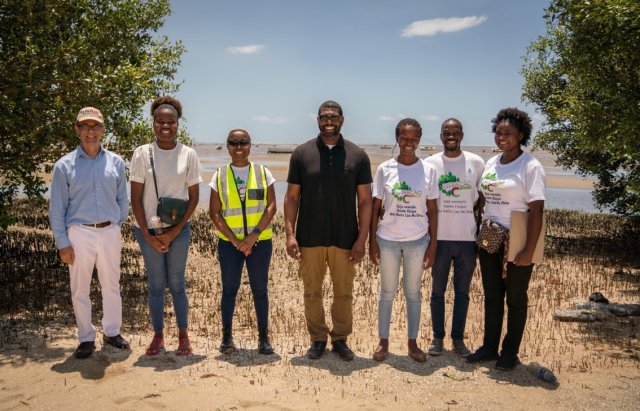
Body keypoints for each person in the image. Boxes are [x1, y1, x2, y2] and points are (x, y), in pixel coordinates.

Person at [284, 100, 372, 361]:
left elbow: (365, 201)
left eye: (334, 116)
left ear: (343, 119)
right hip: (309, 237)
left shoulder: (358, 155)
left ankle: (341, 339)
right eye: (324, 117)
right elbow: (291, 198)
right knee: (312, 291)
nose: (329, 121)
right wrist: (290, 234)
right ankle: (318, 338)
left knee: (343, 292)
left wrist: (362, 238)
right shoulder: (301, 153)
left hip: (345, 237)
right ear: (318, 120)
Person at [467, 108, 546, 371]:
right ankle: (489, 347)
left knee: (515, 297)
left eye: (508, 133)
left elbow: (536, 211)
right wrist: (480, 237)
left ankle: (509, 352)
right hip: (490, 237)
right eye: (498, 132)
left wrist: (528, 250)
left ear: (521, 135)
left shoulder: (530, 166)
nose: (502, 137)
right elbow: (485, 201)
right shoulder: (491, 163)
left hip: (517, 239)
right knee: (491, 295)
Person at [49, 107, 130, 359]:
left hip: (109, 231)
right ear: (77, 130)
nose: (91, 131)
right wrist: (62, 241)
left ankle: (112, 331)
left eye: (95, 126)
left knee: (111, 285)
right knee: (79, 288)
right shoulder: (63, 166)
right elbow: (57, 207)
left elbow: (122, 199)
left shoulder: (116, 162)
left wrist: (116, 224)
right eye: (85, 126)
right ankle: (85, 337)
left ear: (103, 130)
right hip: (79, 233)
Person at [130, 96, 202, 356]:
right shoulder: (141, 153)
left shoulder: (188, 154)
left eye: (170, 122)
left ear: (178, 124)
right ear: (153, 123)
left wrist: (174, 231)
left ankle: (184, 336)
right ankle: (158, 336)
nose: (165, 126)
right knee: (156, 285)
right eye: (160, 121)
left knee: (177, 284)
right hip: (146, 230)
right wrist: (148, 236)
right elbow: (135, 199)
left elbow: (194, 198)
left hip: (180, 231)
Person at [369, 118, 439, 362]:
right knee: (386, 292)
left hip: (418, 240)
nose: (408, 143)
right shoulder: (384, 169)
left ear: (419, 139)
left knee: (413, 293)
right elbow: (375, 206)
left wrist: (433, 244)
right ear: (397, 139)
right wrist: (371, 242)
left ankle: (412, 343)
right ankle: (383, 342)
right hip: (387, 239)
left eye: (414, 139)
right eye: (404, 138)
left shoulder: (429, 170)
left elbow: (433, 210)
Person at [209, 129, 277, 355]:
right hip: (230, 245)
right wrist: (236, 240)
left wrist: (254, 235)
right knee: (229, 289)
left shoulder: (263, 172)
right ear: (227, 146)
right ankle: (227, 338)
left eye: (243, 142)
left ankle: (264, 339)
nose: (238, 147)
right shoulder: (219, 176)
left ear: (250, 145)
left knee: (260, 290)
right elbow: (215, 214)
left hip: (260, 243)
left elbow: (271, 206)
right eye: (234, 143)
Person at [424, 118, 485, 358]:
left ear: (461, 134)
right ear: (440, 136)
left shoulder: (476, 162)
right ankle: (437, 338)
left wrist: (480, 235)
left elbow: (483, 199)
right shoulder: (430, 164)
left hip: (467, 240)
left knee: (462, 292)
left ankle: (458, 339)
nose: (451, 136)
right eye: (447, 132)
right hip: (438, 239)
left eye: (455, 132)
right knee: (437, 292)